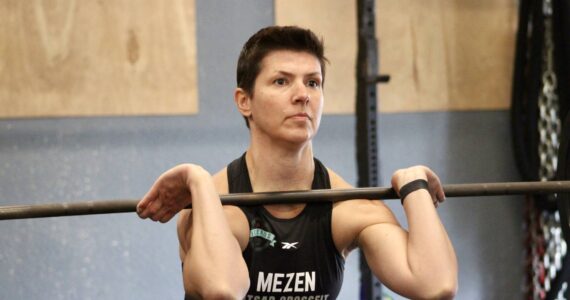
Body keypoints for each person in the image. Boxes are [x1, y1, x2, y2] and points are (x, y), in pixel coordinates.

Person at [136, 26, 458, 299]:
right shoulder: (216, 208)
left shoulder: (348, 208)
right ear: (244, 101)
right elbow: (222, 290)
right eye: (281, 81)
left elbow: (436, 285)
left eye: (313, 82)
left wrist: (413, 184)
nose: (302, 94)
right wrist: (197, 179)